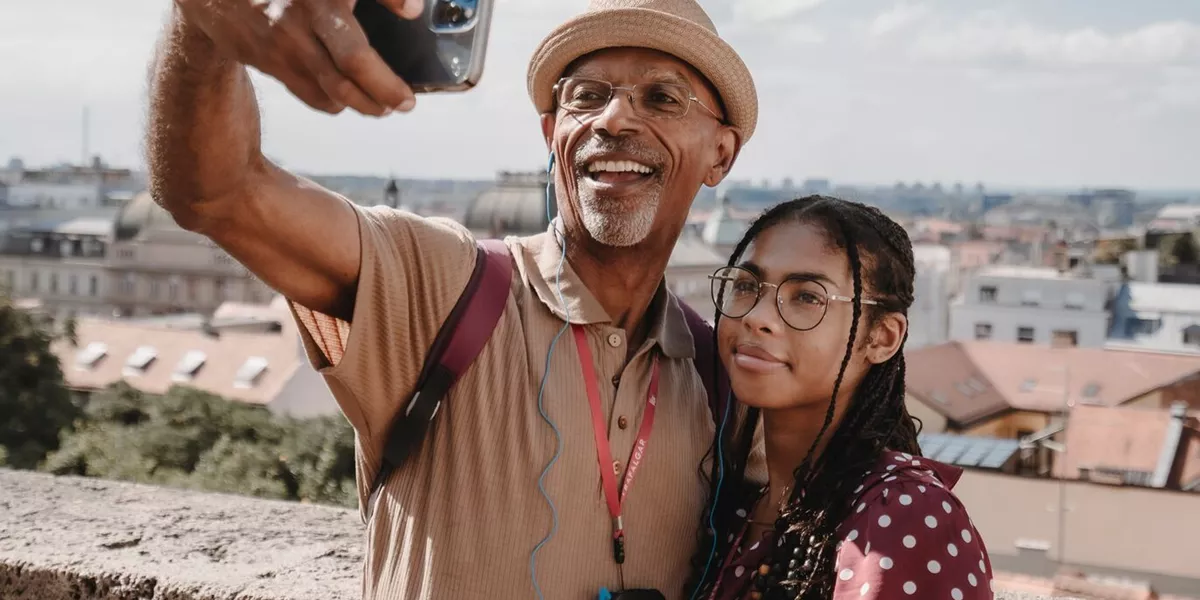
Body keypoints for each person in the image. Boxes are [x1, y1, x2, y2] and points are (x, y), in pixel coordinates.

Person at [145, 0, 759, 598]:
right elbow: (216, 194)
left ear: (720, 154)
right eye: (587, 96)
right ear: (552, 133)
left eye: (662, 98)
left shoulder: (719, 375)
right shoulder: (447, 285)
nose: (615, 120)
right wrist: (203, 21)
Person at [687, 197, 994, 600]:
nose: (757, 316)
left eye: (807, 297)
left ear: (882, 338)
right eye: (746, 286)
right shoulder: (745, 505)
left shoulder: (906, 515)